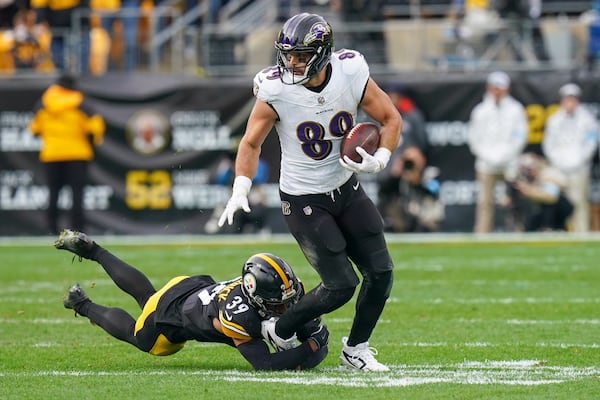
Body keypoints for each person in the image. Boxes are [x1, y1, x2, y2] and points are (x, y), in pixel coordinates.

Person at [217, 13, 402, 371]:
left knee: (381, 272)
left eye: (301, 55)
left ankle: (356, 350)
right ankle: (281, 329)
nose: (292, 62)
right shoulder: (275, 88)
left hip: (346, 188)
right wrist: (241, 186)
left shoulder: (350, 71)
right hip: (304, 198)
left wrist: (380, 158)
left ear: (322, 52)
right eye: (288, 55)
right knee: (341, 285)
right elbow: (251, 142)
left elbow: (391, 118)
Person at [55, 228, 329, 371]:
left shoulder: (268, 291)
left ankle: (94, 250)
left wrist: (310, 332)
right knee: (140, 336)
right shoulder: (239, 317)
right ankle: (81, 303)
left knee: (146, 295)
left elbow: (293, 314)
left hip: (189, 288)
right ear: (256, 296)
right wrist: (313, 346)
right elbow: (265, 364)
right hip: (170, 317)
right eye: (278, 303)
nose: (285, 305)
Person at [29, 74, 105, 234]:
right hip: (77, 153)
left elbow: (34, 129)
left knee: (53, 192)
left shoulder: (44, 103)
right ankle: (78, 228)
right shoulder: (81, 103)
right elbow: (96, 127)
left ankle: (51, 228)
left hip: (52, 153)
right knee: (77, 193)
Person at [468, 71, 528, 233]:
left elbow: (520, 135)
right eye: (494, 88)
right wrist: (488, 155)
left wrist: (507, 155)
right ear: (489, 88)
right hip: (486, 163)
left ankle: (517, 232)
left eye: (500, 88)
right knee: (484, 202)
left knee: (514, 199)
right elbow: (474, 138)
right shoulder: (480, 111)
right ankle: (482, 234)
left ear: (507, 89)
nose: (497, 91)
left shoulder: (516, 110)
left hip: (510, 163)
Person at [542, 83, 598, 233]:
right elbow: (549, 144)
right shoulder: (554, 120)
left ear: (578, 100)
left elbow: (591, 143)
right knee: (558, 202)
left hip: (579, 168)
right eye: (567, 99)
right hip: (559, 169)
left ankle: (582, 232)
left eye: (573, 99)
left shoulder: (587, 119)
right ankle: (562, 231)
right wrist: (559, 162)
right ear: (562, 100)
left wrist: (579, 160)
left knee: (579, 202)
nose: (570, 102)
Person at [512, 152, 573, 231]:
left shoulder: (547, 174)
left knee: (549, 205)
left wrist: (529, 191)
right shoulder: (529, 178)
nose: (527, 172)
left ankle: (548, 228)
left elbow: (551, 197)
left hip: (561, 209)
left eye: (529, 169)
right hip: (543, 209)